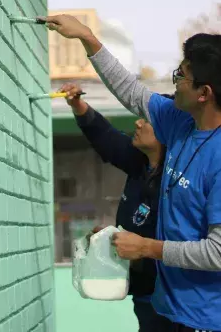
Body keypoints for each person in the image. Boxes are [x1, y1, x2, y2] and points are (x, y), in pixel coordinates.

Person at [41, 14, 221, 332]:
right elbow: (132, 93)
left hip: (205, 321)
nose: (174, 79)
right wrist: (88, 38)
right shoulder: (180, 121)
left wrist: (147, 247)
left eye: (181, 75)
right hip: (166, 309)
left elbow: (217, 252)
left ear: (204, 93)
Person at [62, 81, 171, 331]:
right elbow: (106, 138)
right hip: (145, 296)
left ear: (167, 132)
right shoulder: (140, 164)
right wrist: (77, 104)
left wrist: (139, 252)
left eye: (146, 120)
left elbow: (183, 248)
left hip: (169, 302)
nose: (138, 123)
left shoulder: (176, 185)